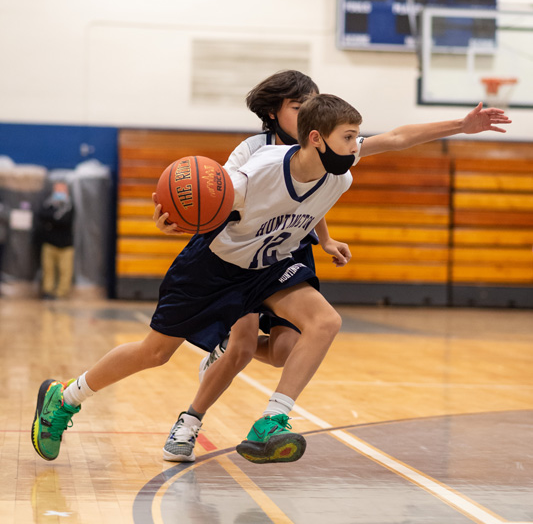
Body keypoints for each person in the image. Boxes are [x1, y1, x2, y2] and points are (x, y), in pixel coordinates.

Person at [31, 95, 511, 465]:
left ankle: (271, 421)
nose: (357, 145)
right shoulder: (253, 175)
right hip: (214, 267)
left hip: (269, 266)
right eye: (349, 137)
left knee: (324, 322)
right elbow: (197, 200)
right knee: (154, 353)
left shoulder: (339, 167)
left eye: (357, 137)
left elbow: (400, 137)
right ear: (318, 139)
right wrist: (173, 221)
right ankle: (65, 397)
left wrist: (462, 125)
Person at [158, 70, 352, 462]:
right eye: (299, 107)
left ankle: (224, 343)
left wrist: (326, 239)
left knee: (285, 350)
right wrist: (180, 220)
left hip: (289, 249)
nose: (309, 112)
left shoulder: (323, 148)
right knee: (243, 349)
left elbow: (313, 197)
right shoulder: (253, 151)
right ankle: (190, 421)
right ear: (273, 112)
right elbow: (218, 200)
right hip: (243, 253)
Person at [36, 181, 75, 299]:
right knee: (48, 270)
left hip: (65, 245)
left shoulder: (70, 205)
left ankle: (61, 294)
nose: (59, 193)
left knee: (65, 271)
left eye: (61, 190)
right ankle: (48, 291)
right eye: (57, 190)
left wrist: (52, 221)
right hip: (49, 243)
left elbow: (65, 221)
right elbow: (42, 215)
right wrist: (55, 218)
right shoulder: (49, 204)